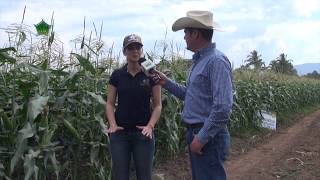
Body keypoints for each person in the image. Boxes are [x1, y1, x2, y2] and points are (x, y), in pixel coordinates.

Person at [150, 10, 233, 180]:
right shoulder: (200, 61)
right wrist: (166, 83)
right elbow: (193, 96)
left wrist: (201, 138)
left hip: (207, 136)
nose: (184, 37)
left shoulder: (216, 61)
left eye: (186, 32)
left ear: (195, 33)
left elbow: (223, 108)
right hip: (199, 133)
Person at [105, 34, 162, 180]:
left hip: (143, 134)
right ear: (124, 51)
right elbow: (110, 103)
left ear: (141, 50)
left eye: (138, 47)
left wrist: (150, 126)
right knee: (120, 176)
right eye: (130, 48)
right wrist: (112, 125)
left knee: (144, 176)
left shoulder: (151, 75)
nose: (135, 51)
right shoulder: (117, 75)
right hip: (120, 134)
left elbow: (157, 105)